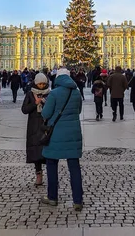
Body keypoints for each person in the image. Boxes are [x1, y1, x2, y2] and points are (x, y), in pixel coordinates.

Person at [40, 69, 84, 211]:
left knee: (52, 165)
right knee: (74, 168)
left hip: (55, 135)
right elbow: (78, 111)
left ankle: (52, 197)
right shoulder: (76, 93)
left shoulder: (54, 93)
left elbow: (46, 113)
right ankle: (78, 200)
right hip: (73, 134)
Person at [22, 73, 50, 186]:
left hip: (45, 125)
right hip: (34, 126)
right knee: (36, 152)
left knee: (47, 150)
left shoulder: (49, 94)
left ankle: (51, 173)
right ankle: (38, 174)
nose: (42, 86)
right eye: (40, 84)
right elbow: (24, 109)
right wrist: (35, 103)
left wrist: (45, 104)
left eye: (44, 84)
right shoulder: (30, 94)